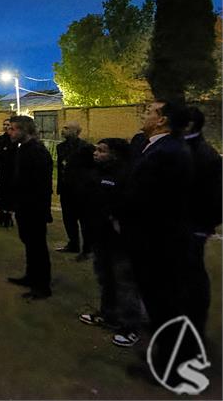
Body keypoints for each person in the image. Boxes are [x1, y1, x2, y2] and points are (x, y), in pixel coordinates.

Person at [122, 100, 195, 372]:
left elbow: (149, 197)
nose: (144, 115)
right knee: (159, 301)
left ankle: (171, 366)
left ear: (162, 120)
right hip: (155, 236)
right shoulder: (159, 147)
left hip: (157, 239)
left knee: (164, 302)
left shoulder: (167, 151)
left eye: (149, 112)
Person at [78, 138, 143, 348]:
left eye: (102, 150)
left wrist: (116, 219)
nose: (96, 153)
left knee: (124, 281)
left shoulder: (127, 174)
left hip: (119, 239)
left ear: (115, 154)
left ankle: (130, 326)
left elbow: (128, 204)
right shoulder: (98, 172)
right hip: (101, 235)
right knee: (105, 277)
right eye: (96, 149)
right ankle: (108, 314)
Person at [182, 107, 221, 339]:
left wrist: (200, 228)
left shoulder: (204, 155)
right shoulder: (183, 148)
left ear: (188, 125)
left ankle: (194, 329)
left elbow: (215, 199)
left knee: (191, 277)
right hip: (179, 226)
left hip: (191, 228)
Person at [5, 115, 54, 299]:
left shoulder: (36, 151)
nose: (9, 132)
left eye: (13, 129)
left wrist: (38, 208)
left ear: (24, 130)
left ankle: (42, 285)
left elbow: (40, 185)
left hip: (34, 207)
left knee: (37, 246)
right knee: (30, 243)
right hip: (24, 205)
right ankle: (31, 276)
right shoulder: (23, 148)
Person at [55, 122, 95, 257]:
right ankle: (73, 243)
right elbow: (61, 168)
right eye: (63, 127)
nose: (63, 130)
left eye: (67, 128)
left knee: (84, 219)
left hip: (81, 190)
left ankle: (87, 248)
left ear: (76, 131)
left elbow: (92, 167)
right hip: (66, 189)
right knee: (68, 218)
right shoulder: (60, 147)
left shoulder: (86, 147)